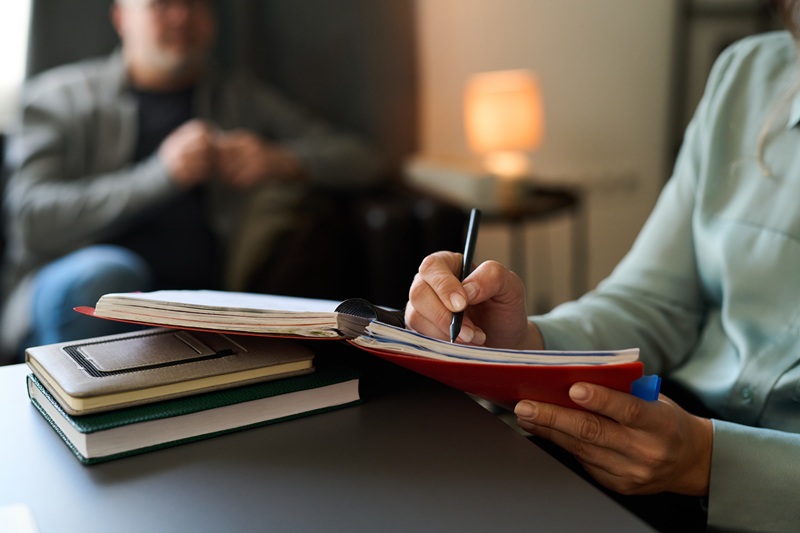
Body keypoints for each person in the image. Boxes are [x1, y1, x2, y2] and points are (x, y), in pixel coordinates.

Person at [405, 4, 800, 532]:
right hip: (658, 444)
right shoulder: (747, 75)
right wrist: (523, 344)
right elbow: (657, 300)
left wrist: (712, 462)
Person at [0, 0, 382, 362]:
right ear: (121, 18)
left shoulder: (239, 99)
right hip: (69, 289)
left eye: (196, 3)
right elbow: (31, 221)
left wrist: (281, 160)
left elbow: (366, 160)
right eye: (161, 4)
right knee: (109, 274)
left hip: (198, 304)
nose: (182, 16)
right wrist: (161, 175)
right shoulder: (57, 98)